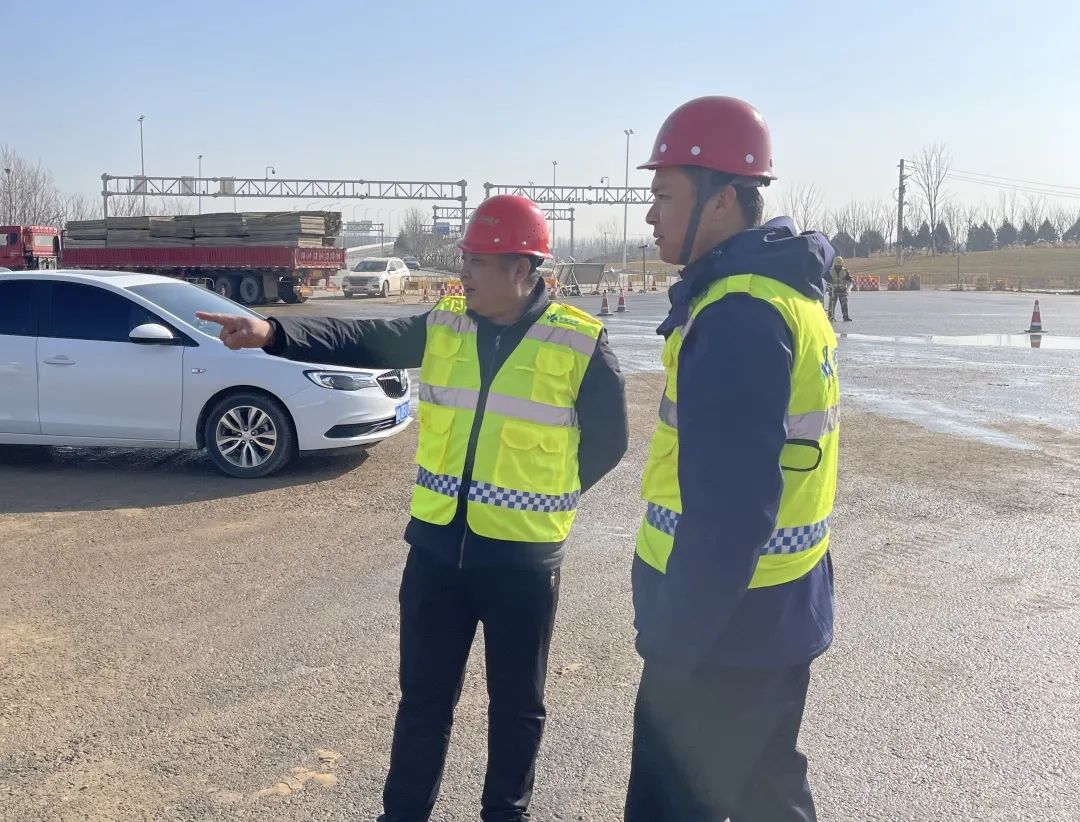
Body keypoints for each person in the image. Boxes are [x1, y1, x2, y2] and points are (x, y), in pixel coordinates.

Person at [196, 195, 628, 822]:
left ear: (520, 268)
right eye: (465, 259)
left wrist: (546, 496)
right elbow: (362, 336)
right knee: (423, 701)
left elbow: (609, 443)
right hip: (436, 553)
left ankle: (506, 814)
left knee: (517, 706)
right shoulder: (446, 323)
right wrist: (273, 333)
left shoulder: (579, 341)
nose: (463, 272)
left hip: (522, 561)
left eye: (477, 261)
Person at [625, 96, 840, 821]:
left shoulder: (738, 314)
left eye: (664, 196)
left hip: (721, 636)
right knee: (766, 798)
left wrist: (673, 642)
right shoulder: (787, 294)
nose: (650, 215)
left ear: (721, 200)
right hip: (775, 614)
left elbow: (732, 513)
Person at [827, 255, 854, 322]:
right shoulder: (830, 271)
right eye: (837, 265)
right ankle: (831, 317)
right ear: (834, 263)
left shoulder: (845, 271)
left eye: (840, 265)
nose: (839, 266)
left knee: (844, 305)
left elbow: (850, 281)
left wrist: (848, 290)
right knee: (831, 305)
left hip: (843, 291)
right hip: (833, 291)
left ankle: (845, 317)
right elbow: (826, 280)